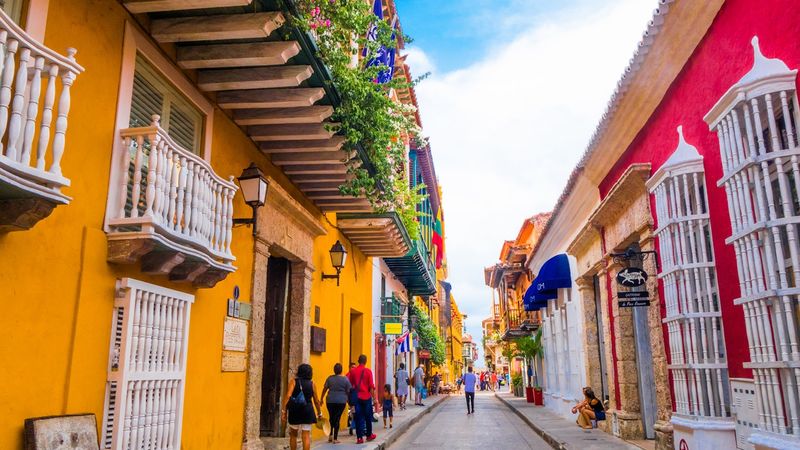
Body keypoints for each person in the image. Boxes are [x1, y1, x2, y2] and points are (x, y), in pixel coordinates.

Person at [281, 364, 322, 450]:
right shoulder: (312, 384)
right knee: (306, 435)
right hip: (307, 410)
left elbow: (288, 396)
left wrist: (284, 411)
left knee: (293, 435)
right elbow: (316, 401)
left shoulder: (293, 381)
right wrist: (319, 413)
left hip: (295, 410)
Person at [347, 354, 378, 444]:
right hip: (366, 397)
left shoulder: (353, 371)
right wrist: (375, 399)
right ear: (365, 361)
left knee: (358, 417)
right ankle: (369, 435)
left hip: (357, 397)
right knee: (368, 416)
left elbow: (350, 385)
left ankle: (359, 438)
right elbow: (371, 387)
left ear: (358, 361)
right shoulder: (368, 371)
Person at [321, 363, 351, 444]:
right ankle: (335, 438)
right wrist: (348, 400)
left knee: (331, 417)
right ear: (341, 370)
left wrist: (321, 399)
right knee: (337, 418)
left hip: (330, 401)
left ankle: (330, 435)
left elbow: (324, 389)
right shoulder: (345, 379)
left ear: (334, 370)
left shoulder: (329, 378)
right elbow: (348, 391)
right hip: (341, 401)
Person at [345, 362, 357, 436]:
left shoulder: (357, 375)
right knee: (352, 412)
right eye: (352, 367)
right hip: (349, 396)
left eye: (355, 367)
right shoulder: (347, 376)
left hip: (355, 396)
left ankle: (352, 427)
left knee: (353, 412)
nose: (354, 369)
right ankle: (351, 426)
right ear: (349, 368)